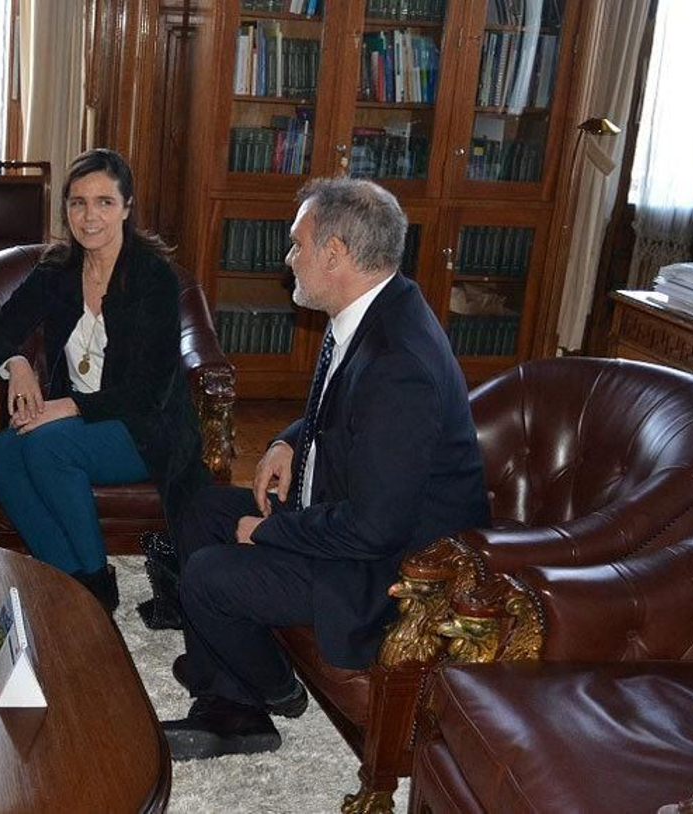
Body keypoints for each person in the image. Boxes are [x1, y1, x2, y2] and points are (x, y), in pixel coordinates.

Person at [161, 178, 490, 760]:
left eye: (297, 245)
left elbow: (376, 529)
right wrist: (288, 440)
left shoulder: (399, 364)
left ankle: (271, 689)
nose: (288, 260)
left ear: (334, 254)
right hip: (347, 512)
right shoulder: (375, 309)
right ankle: (229, 689)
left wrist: (273, 532)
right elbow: (345, 408)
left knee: (210, 576)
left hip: (386, 570)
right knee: (201, 509)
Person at [0, 148, 209, 613]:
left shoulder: (153, 278)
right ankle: (69, 578)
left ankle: (96, 589)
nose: (89, 216)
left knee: (47, 446)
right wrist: (18, 364)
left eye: (104, 202)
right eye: (78, 202)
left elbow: (149, 388)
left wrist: (65, 407)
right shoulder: (57, 271)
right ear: (66, 209)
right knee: (2, 450)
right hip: (80, 424)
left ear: (126, 207)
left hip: (146, 427)